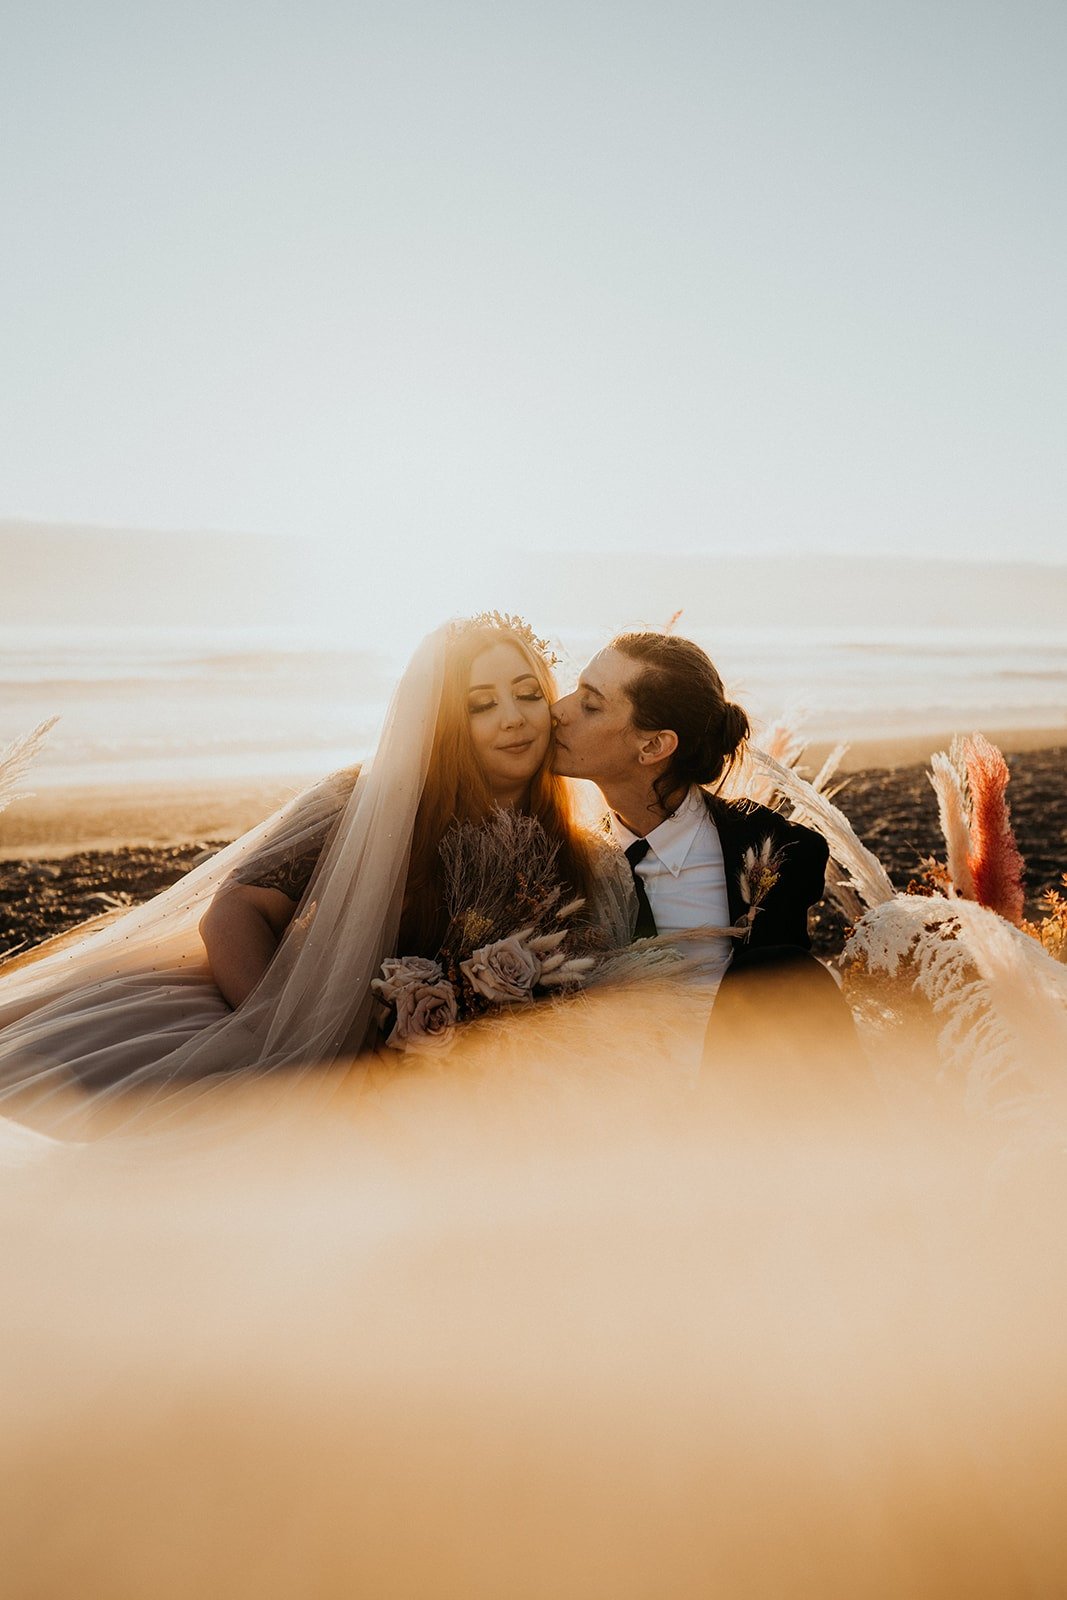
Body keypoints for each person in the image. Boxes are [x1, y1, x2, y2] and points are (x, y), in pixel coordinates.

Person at [0, 614, 625, 1137]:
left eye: (527, 693)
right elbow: (236, 910)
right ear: (441, 722)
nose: (513, 718)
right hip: (310, 1039)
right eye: (481, 705)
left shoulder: (582, 854)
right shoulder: (368, 800)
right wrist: (284, 1039)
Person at [551, 631, 855, 1070]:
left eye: (590, 704)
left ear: (653, 746)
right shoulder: (562, 863)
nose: (557, 711)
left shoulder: (778, 854)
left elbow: (791, 1030)